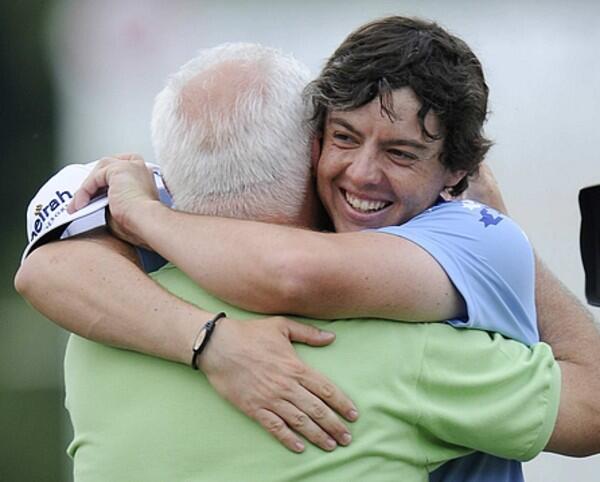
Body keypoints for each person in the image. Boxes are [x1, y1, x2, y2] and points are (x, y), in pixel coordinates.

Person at [15, 17, 600, 482]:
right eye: (343, 138)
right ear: (311, 146)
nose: (361, 173)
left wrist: (142, 217)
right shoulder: (411, 351)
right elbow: (44, 270)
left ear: (457, 173)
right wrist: (211, 342)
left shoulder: (102, 333)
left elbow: (289, 272)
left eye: (400, 153)